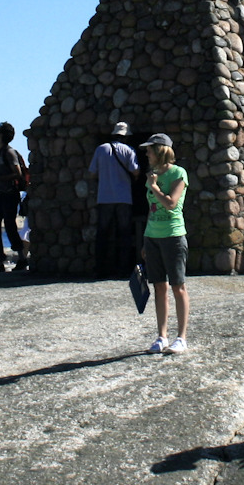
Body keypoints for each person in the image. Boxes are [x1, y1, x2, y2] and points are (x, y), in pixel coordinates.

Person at [141, 133, 190, 354]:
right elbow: (150, 210)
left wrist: (155, 187)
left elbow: (171, 203)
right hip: (153, 236)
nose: (146, 153)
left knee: (178, 287)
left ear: (160, 151)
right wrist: (145, 241)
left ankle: (181, 337)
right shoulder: (151, 176)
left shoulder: (179, 173)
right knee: (159, 287)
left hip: (173, 236)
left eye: (150, 149)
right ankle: (162, 336)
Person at [90, 122, 141, 278]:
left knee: (103, 234)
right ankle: (123, 268)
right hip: (123, 197)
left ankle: (101, 268)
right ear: (126, 137)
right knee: (124, 233)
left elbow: (92, 172)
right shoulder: (129, 150)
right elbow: (135, 171)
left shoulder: (101, 149)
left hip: (104, 197)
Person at [0, 123, 28, 273]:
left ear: (1, 134)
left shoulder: (9, 152)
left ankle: (22, 258)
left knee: (10, 226)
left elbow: (18, 173)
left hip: (9, 193)